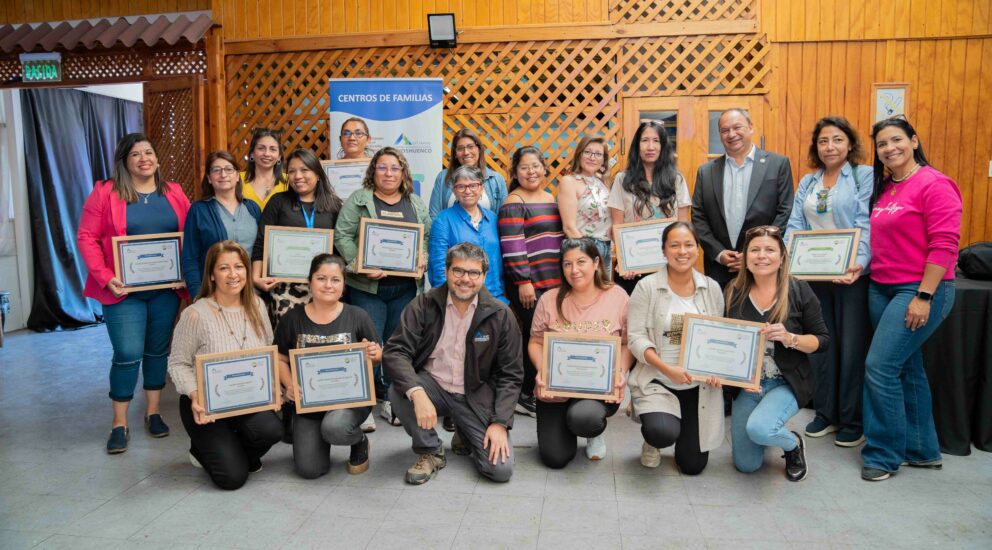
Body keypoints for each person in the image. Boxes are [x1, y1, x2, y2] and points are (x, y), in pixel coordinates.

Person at [860, 117, 962, 482]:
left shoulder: (935, 184)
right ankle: (921, 449)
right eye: (882, 144)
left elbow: (945, 245)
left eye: (897, 140)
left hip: (917, 290)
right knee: (906, 367)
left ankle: (883, 455)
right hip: (881, 286)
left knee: (879, 367)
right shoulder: (886, 188)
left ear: (914, 141)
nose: (889, 148)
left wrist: (923, 296)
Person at [77, 132, 191, 454]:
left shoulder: (174, 193)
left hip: (166, 290)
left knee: (157, 351)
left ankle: (153, 413)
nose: (144, 158)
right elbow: (86, 237)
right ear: (124, 162)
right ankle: (119, 422)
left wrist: (185, 274)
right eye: (136, 154)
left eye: (149, 152)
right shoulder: (105, 193)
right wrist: (105, 276)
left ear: (157, 158)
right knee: (127, 353)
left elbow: (189, 235)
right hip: (122, 291)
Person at [384, 243, 523, 485]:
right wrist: (417, 393)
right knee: (399, 391)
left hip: (475, 395)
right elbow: (396, 351)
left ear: (484, 276)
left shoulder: (501, 315)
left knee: (500, 470)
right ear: (447, 271)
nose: (465, 279)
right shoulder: (423, 305)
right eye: (458, 271)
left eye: (473, 273)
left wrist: (500, 423)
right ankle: (430, 450)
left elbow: (511, 375)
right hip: (432, 386)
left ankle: (465, 431)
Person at [786, 116, 873, 447]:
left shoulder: (864, 176)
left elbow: (865, 222)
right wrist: (790, 261)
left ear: (849, 144)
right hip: (813, 277)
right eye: (823, 141)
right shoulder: (809, 182)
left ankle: (851, 418)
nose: (830, 147)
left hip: (851, 277)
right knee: (822, 345)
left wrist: (859, 263)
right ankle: (825, 413)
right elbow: (795, 224)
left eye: (837, 140)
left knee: (852, 348)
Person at [167, 241, 283, 489]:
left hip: (246, 399)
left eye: (239, 267)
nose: (233, 275)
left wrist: (274, 389)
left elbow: (267, 352)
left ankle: (231, 450)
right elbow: (177, 364)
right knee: (232, 479)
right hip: (206, 405)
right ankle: (202, 449)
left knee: (272, 430)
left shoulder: (258, 306)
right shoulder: (195, 314)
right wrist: (196, 395)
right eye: (224, 268)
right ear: (211, 274)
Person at [335, 146, 431, 430]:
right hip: (367, 288)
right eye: (382, 167)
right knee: (368, 345)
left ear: (403, 173)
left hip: (404, 288)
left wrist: (422, 257)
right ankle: (362, 406)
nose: (388, 173)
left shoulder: (414, 203)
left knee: (396, 344)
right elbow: (342, 234)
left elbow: (424, 237)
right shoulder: (359, 199)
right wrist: (359, 264)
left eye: (394, 168)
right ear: (373, 171)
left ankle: (392, 399)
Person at [726, 226, 829, 482]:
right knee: (746, 465)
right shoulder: (733, 292)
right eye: (755, 250)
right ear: (745, 257)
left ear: (782, 257)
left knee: (759, 428)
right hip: (748, 386)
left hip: (786, 382)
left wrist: (791, 338)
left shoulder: (798, 290)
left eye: (770, 250)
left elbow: (822, 340)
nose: (762, 256)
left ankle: (792, 444)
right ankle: (766, 429)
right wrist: (729, 377)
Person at [627, 222, 725, 474]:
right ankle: (653, 440)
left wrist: (717, 370)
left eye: (688, 244)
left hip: (697, 385)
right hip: (658, 379)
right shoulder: (646, 287)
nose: (682, 251)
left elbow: (718, 337)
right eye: (674, 245)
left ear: (697, 249)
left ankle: (681, 429)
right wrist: (667, 369)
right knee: (661, 433)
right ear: (663, 251)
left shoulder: (711, 288)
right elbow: (636, 338)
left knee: (693, 466)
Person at [274, 254, 381, 479]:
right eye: (321, 278)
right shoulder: (292, 319)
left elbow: (378, 355)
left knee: (335, 427)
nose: (328, 285)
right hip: (309, 405)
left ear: (343, 284)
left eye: (335, 280)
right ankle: (321, 438)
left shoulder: (358, 316)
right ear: (310, 281)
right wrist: (289, 385)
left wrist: (374, 353)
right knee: (309, 470)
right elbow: (281, 359)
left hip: (350, 402)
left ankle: (358, 440)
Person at [529, 238, 632, 467]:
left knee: (584, 419)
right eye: (567, 264)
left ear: (596, 263)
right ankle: (563, 427)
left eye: (581, 262)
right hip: (556, 388)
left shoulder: (618, 297)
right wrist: (542, 370)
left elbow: (626, 343)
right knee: (555, 458)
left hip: (597, 391)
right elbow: (535, 343)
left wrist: (620, 372)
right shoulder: (548, 300)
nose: (574, 270)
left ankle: (592, 432)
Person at [691, 109, 794, 288]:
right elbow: (698, 217)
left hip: (763, 268)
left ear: (751, 127)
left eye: (737, 127)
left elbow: (784, 211)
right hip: (721, 271)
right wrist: (719, 253)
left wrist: (753, 253)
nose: (732, 134)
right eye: (725, 130)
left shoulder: (777, 165)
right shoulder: (706, 172)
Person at [497, 146, 564, 418]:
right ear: (515, 172)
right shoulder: (513, 201)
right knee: (534, 336)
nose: (531, 171)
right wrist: (523, 281)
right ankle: (524, 394)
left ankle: (541, 385)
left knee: (549, 333)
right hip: (528, 283)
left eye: (536, 166)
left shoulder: (550, 197)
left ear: (544, 168)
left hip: (553, 281)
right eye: (524, 167)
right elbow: (512, 245)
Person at [251, 148, 343, 324]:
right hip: (285, 287)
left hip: (325, 285)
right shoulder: (278, 202)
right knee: (288, 340)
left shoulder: (334, 205)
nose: (297, 176)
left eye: (304, 170)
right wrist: (256, 277)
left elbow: (340, 246)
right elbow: (261, 242)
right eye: (291, 171)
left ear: (317, 173)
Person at [607, 120, 690, 295]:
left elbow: (684, 227)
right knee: (634, 320)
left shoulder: (677, 180)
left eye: (656, 140)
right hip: (633, 270)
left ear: (663, 146)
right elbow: (617, 225)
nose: (650, 146)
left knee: (668, 320)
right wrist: (625, 262)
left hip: (670, 267)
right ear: (637, 146)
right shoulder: (622, 180)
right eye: (644, 140)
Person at [182, 151, 262, 298]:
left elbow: (260, 250)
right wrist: (197, 295)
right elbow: (190, 258)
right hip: (213, 294)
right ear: (209, 178)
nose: (223, 174)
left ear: (237, 176)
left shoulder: (253, 208)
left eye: (228, 169)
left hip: (251, 293)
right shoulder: (198, 210)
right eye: (216, 170)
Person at [429, 165, 507, 303]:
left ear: (481, 188)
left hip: (495, 297)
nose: (467, 191)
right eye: (461, 186)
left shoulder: (494, 219)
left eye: (473, 185)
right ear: (454, 190)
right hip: (458, 299)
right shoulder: (443, 220)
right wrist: (446, 300)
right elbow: (438, 266)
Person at [558, 135, 613, 271]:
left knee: (604, 291)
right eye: (587, 152)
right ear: (579, 155)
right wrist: (589, 254)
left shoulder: (604, 183)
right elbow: (569, 228)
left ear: (603, 161)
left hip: (606, 247)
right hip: (583, 247)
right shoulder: (569, 182)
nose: (592, 157)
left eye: (598, 154)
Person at [428, 128, 507, 219]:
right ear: (455, 154)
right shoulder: (443, 177)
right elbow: (434, 216)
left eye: (470, 147)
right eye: (460, 148)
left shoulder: (496, 179)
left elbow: (503, 218)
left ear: (479, 149)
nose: (466, 152)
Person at [240, 128, 288, 210]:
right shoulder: (237, 179)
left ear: (279, 156)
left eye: (273, 149)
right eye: (261, 148)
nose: (267, 154)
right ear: (252, 154)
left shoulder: (289, 181)